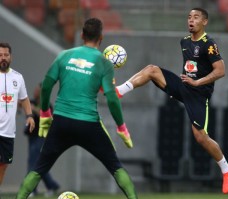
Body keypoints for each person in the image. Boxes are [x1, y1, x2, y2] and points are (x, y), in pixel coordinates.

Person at [115, 8, 228, 194]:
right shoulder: (185, 42)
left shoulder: (209, 44)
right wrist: (175, 89)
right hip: (183, 86)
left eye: (196, 17)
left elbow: (220, 71)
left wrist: (197, 82)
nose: (191, 20)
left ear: (205, 22)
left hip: (198, 95)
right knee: (152, 70)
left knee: (200, 137)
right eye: (189, 17)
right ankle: (119, 91)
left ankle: (227, 170)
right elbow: (189, 66)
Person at [16, 18, 137, 199]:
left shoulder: (64, 55)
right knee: (115, 167)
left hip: (62, 122)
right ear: (101, 38)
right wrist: (122, 128)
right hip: (88, 124)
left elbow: (47, 86)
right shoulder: (104, 63)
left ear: (81, 35)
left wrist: (45, 114)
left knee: (38, 169)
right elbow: (111, 99)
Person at [0, 42, 35, 186]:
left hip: (8, 132)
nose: (3, 58)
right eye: (0, 55)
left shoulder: (18, 77)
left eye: (6, 55)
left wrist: (30, 116)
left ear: (11, 57)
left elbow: (24, 99)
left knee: (3, 165)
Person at [23, 83, 59, 197]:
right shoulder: (32, 102)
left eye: (38, 90)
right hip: (32, 136)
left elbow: (46, 117)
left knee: (33, 162)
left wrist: (34, 110)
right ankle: (52, 185)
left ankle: (31, 189)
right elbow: (22, 105)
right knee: (38, 163)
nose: (35, 92)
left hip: (41, 136)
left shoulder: (47, 105)